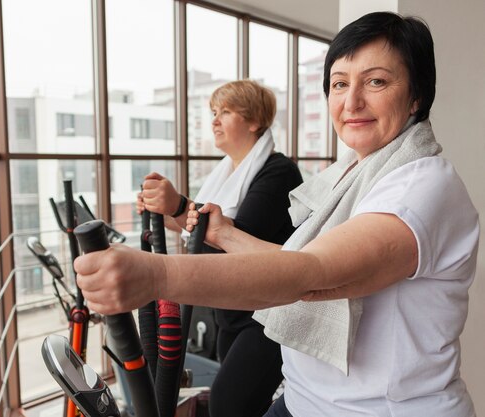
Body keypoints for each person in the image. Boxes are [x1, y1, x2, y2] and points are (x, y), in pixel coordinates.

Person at [75, 11, 479, 417]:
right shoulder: (352, 172)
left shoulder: (421, 185)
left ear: (417, 96)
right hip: (305, 399)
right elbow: (293, 258)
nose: (351, 101)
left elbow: (314, 272)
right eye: (339, 84)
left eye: (376, 81)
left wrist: (155, 276)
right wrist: (223, 233)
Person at [137, 79, 303, 417]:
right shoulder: (227, 175)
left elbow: (232, 237)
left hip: (270, 317)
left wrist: (179, 205)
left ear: (255, 121)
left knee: (228, 405)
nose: (214, 120)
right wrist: (164, 210)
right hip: (232, 312)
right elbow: (202, 229)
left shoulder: (278, 172)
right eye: (214, 112)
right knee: (238, 406)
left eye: (225, 112)